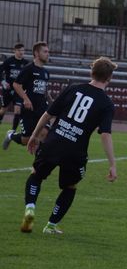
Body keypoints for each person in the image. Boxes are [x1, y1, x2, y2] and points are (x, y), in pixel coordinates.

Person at [20, 57, 118, 234]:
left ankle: (30, 207)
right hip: (75, 152)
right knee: (70, 186)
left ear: (92, 72)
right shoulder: (107, 104)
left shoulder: (73, 88)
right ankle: (51, 225)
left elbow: (48, 114)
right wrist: (112, 164)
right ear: (109, 77)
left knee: (36, 174)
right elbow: (105, 134)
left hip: (53, 143)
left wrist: (34, 136)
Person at [3, 42, 50, 150]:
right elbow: (16, 84)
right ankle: (11, 135)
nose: (48, 54)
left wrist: (50, 99)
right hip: (29, 109)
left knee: (44, 133)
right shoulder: (29, 68)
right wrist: (26, 99)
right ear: (36, 53)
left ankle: (40, 159)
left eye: (48, 52)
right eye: (45, 51)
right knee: (26, 140)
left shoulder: (46, 72)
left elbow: (44, 89)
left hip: (42, 108)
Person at [0, 43, 29, 131]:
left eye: (23, 50)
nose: (21, 52)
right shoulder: (9, 61)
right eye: (19, 50)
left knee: (17, 110)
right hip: (8, 90)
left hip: (19, 90)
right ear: (15, 51)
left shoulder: (26, 63)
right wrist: (3, 81)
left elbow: (29, 77)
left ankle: (13, 131)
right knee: (3, 110)